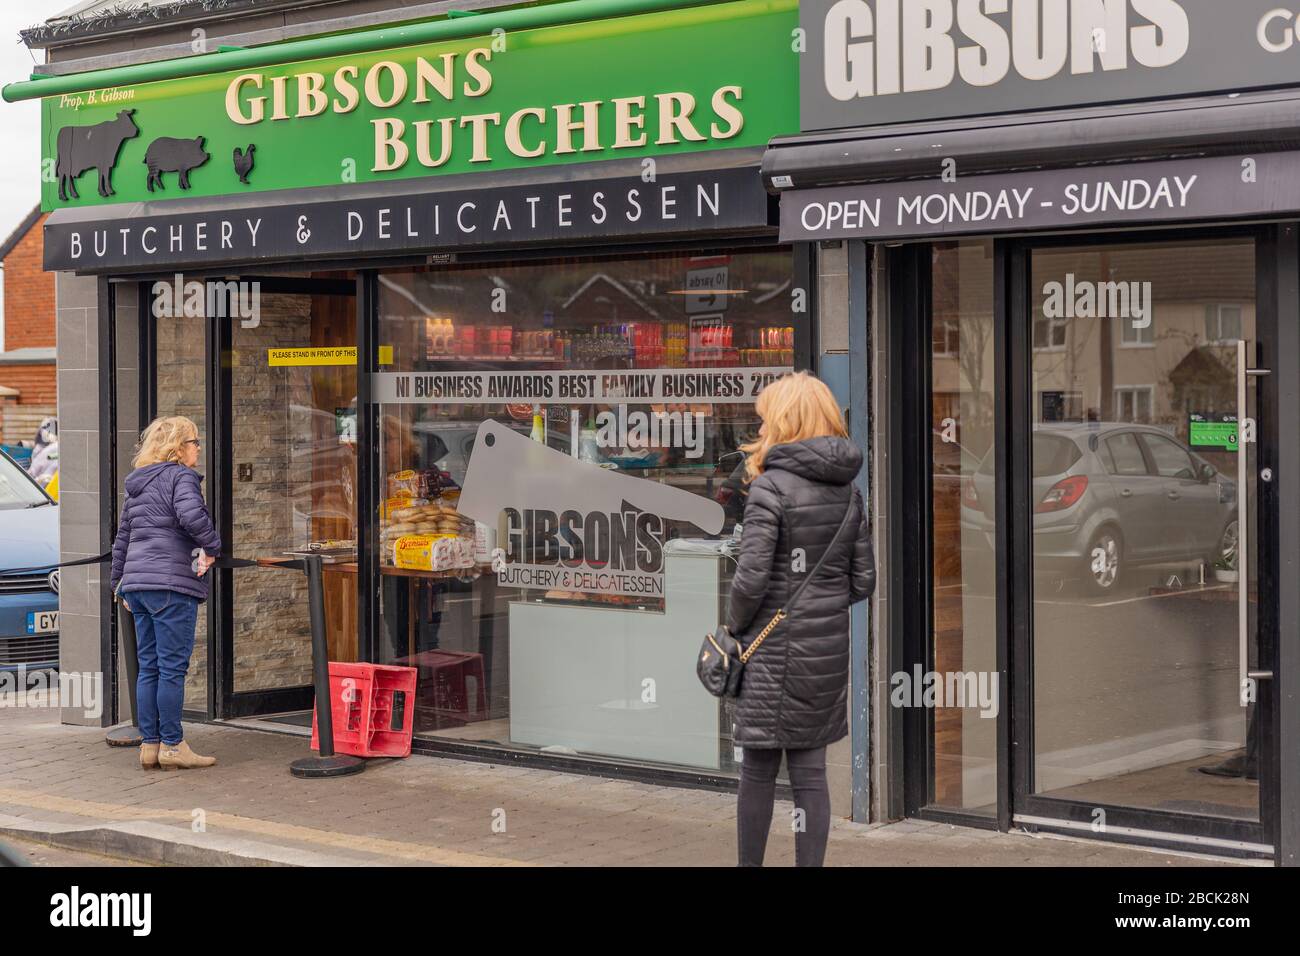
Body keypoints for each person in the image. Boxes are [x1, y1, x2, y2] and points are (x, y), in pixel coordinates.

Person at [728, 372, 875, 866]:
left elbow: (750, 582)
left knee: (759, 770)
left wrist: (732, 627)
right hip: (825, 652)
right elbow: (863, 581)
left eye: (767, 415)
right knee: (811, 774)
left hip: (771, 652)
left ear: (783, 420)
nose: (762, 423)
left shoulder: (770, 487)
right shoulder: (849, 491)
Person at [110, 416, 221, 771]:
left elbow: (122, 539)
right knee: (172, 669)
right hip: (170, 585)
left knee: (150, 668)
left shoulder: (138, 484)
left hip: (138, 586)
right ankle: (173, 745)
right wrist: (213, 545)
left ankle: (150, 744)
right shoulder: (181, 477)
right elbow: (192, 516)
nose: (198, 448)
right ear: (178, 447)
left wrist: (119, 583)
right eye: (194, 442)